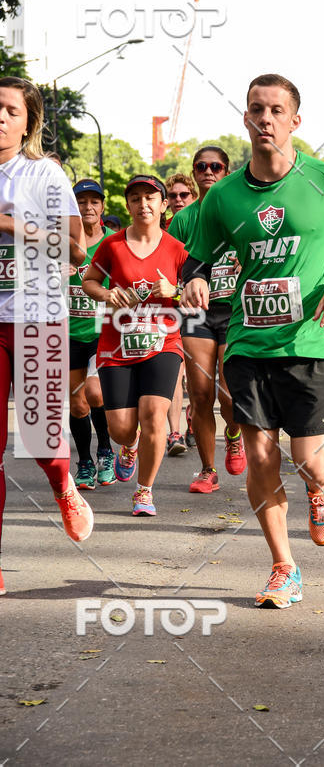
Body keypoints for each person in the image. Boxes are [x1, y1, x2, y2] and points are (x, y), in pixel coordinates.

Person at [181, 74, 324, 608]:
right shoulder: (223, 195)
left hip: (313, 340)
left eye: (275, 110)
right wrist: (195, 279)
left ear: (295, 121)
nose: (265, 118)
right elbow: (196, 258)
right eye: (255, 109)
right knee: (260, 454)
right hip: (248, 344)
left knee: (310, 460)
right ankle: (282, 567)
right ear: (245, 118)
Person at [0, 77, 93, 594]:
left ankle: (63, 483)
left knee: (39, 437)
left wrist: (13, 227)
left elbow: (76, 251)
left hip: (38, 316)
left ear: (28, 121)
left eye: (10, 110)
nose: (0, 117)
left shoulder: (45, 175)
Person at [82, 175, 187, 517]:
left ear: (162, 204)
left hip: (163, 343)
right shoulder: (112, 245)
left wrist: (175, 291)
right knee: (121, 429)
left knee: (155, 414)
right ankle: (130, 445)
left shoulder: (176, 249)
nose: (144, 204)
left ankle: (144, 491)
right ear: (127, 206)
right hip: (117, 346)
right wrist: (108, 294)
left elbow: (197, 291)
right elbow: (89, 281)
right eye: (136, 198)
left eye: (150, 198)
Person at [168, 146, 247, 492]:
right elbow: (166, 262)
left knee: (229, 395)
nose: (208, 171)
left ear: (227, 171)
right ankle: (206, 470)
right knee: (200, 395)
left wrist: (249, 265)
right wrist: (177, 287)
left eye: (216, 166)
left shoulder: (243, 209)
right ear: (195, 171)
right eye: (201, 166)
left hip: (234, 311)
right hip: (197, 313)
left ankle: (233, 433)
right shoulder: (185, 219)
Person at [68, 179, 116, 489]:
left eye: (94, 201)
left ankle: (106, 451)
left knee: (96, 393)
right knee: (77, 403)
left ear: (102, 206)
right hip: (69, 331)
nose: (88, 207)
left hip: (103, 331)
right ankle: (85, 461)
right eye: (81, 201)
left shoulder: (114, 242)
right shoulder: (59, 241)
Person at [164, 172, 199, 455]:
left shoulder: (204, 223)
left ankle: (193, 418)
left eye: (183, 195)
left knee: (198, 378)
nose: (178, 200)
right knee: (175, 372)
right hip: (170, 308)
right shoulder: (159, 228)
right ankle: (174, 434)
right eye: (173, 196)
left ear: (193, 196)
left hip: (200, 308)